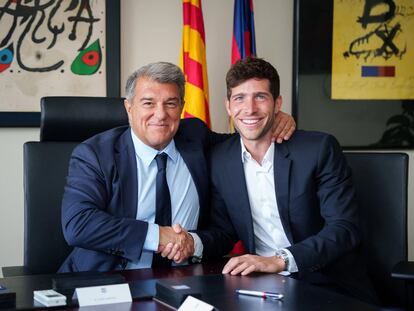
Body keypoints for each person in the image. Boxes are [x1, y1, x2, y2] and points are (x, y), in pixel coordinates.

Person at [165, 57, 378, 304]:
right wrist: (192, 243)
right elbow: (224, 231)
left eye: (261, 97)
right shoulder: (221, 158)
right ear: (228, 106)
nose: (250, 109)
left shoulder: (318, 149)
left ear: (278, 103)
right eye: (240, 98)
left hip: (328, 282)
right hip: (262, 286)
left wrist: (279, 261)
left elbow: (344, 228)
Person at [58, 61, 296, 272]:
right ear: (129, 108)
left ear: (181, 107)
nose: (160, 115)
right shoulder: (95, 154)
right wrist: (157, 236)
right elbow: (79, 224)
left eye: (170, 103)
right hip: (108, 280)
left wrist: (274, 119)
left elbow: (245, 137)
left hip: (183, 281)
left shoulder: (196, 137)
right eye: (148, 103)